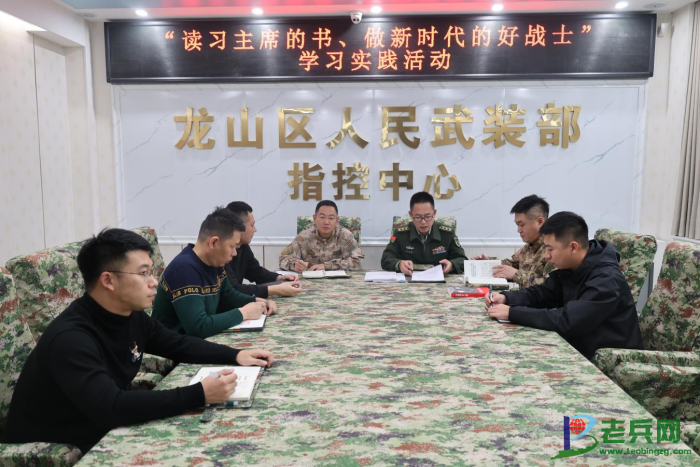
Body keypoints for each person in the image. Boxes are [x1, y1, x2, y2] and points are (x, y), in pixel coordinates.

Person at [3, 228, 274, 454]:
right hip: (56, 446)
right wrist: (199, 394)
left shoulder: (129, 315)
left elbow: (177, 344)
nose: (154, 282)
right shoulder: (71, 338)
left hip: (102, 426)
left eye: (152, 273)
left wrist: (234, 355)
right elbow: (110, 407)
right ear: (108, 280)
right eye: (144, 273)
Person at [486, 211, 643, 360]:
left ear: (573, 247)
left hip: (609, 361)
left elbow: (568, 321)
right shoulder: (574, 266)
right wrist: (507, 298)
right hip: (580, 346)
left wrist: (512, 313)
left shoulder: (606, 280)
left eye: (550, 249)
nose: (546, 256)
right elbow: (543, 293)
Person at [152, 207, 275, 339]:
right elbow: (198, 327)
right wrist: (243, 313)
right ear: (214, 242)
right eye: (232, 246)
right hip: (169, 347)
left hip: (191, 343)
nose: (234, 253)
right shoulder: (184, 269)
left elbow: (228, 296)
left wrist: (255, 301)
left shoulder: (214, 261)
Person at [471, 194, 554, 288]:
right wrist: (488, 262)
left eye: (522, 225)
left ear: (540, 222)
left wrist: (516, 275)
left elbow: (550, 286)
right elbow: (512, 265)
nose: (519, 230)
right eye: (517, 225)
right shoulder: (529, 246)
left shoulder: (552, 249)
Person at [225, 201, 301, 297]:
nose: (255, 229)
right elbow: (233, 290)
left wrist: (279, 278)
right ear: (239, 226)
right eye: (252, 225)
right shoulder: (220, 252)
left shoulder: (243, 245)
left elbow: (255, 271)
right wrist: (276, 289)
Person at [381, 191, 467, 275]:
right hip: (409, 280)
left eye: (427, 216)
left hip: (440, 281)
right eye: (418, 217)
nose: (423, 222)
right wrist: (399, 264)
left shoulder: (447, 234)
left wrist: (452, 265)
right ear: (411, 214)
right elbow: (386, 258)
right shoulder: (400, 234)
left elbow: (462, 260)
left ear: (434, 213)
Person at [279, 200, 364, 271]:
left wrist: (327, 266)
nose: (326, 222)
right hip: (309, 282)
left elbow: (358, 261)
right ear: (314, 218)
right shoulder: (303, 237)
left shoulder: (345, 236)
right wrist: (295, 265)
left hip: (339, 282)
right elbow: (283, 258)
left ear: (337, 220)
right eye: (322, 217)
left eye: (331, 218)